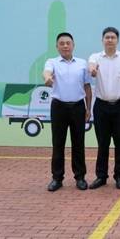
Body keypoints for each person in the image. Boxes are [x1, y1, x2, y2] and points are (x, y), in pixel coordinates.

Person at [87, 27, 120, 190]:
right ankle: (101, 176)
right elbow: (91, 67)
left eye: (113, 37)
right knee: (102, 143)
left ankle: (119, 176)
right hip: (101, 106)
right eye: (107, 37)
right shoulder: (95, 57)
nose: (109, 40)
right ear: (102, 40)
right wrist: (93, 70)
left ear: (117, 40)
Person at [44, 32, 92, 192]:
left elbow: (87, 86)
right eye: (62, 43)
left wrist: (88, 108)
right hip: (59, 107)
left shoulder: (82, 63)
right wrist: (47, 78)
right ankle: (57, 178)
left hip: (78, 106)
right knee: (58, 143)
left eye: (68, 43)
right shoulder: (52, 62)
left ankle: (80, 177)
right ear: (57, 46)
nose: (65, 46)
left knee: (78, 143)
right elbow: (47, 73)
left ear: (73, 45)